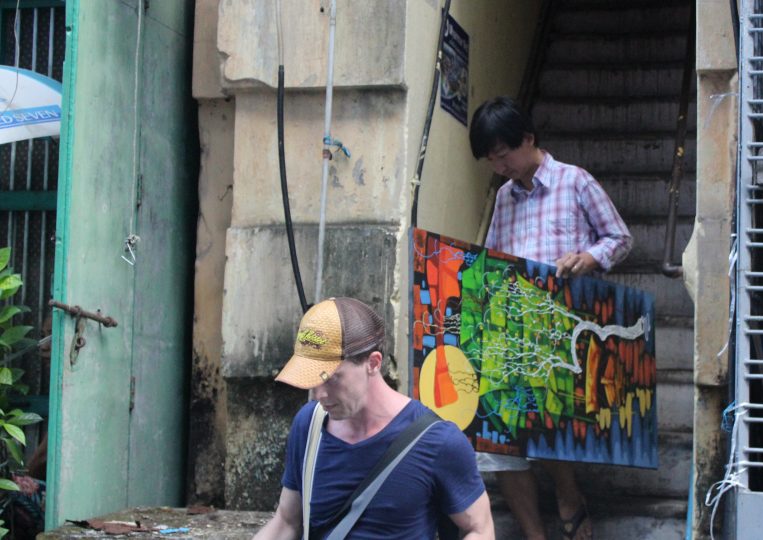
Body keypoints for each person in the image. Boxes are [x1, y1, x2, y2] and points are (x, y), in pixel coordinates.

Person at [469, 96, 633, 540]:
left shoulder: (574, 182)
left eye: (503, 154)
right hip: (512, 327)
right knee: (496, 437)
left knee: (545, 421)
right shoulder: (504, 197)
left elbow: (620, 238)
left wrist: (589, 257)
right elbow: (495, 259)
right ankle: (534, 534)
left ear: (528, 139)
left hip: (564, 329)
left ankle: (566, 492)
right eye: (491, 159)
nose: (498, 166)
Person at [255, 297, 494, 540]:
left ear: (373, 363)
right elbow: (286, 521)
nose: (319, 394)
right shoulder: (309, 425)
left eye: (331, 378)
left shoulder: (439, 441)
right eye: (313, 379)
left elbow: (479, 528)